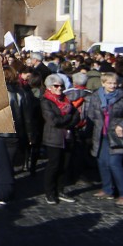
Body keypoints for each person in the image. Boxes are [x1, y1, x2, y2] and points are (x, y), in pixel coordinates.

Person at [83, 72, 123, 207]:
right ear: (103, 83)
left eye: (115, 83)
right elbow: (91, 115)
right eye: (109, 83)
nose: (113, 86)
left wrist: (122, 124)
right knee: (102, 162)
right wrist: (88, 135)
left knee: (115, 164)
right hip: (101, 134)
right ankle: (108, 189)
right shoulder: (96, 96)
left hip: (117, 135)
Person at [40, 73, 80, 204]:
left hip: (67, 136)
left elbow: (76, 116)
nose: (59, 89)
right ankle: (49, 192)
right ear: (49, 87)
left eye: (61, 86)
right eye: (56, 86)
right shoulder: (46, 101)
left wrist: (68, 120)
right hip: (54, 137)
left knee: (65, 165)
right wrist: (68, 118)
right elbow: (53, 120)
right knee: (54, 165)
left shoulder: (66, 99)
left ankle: (60, 190)